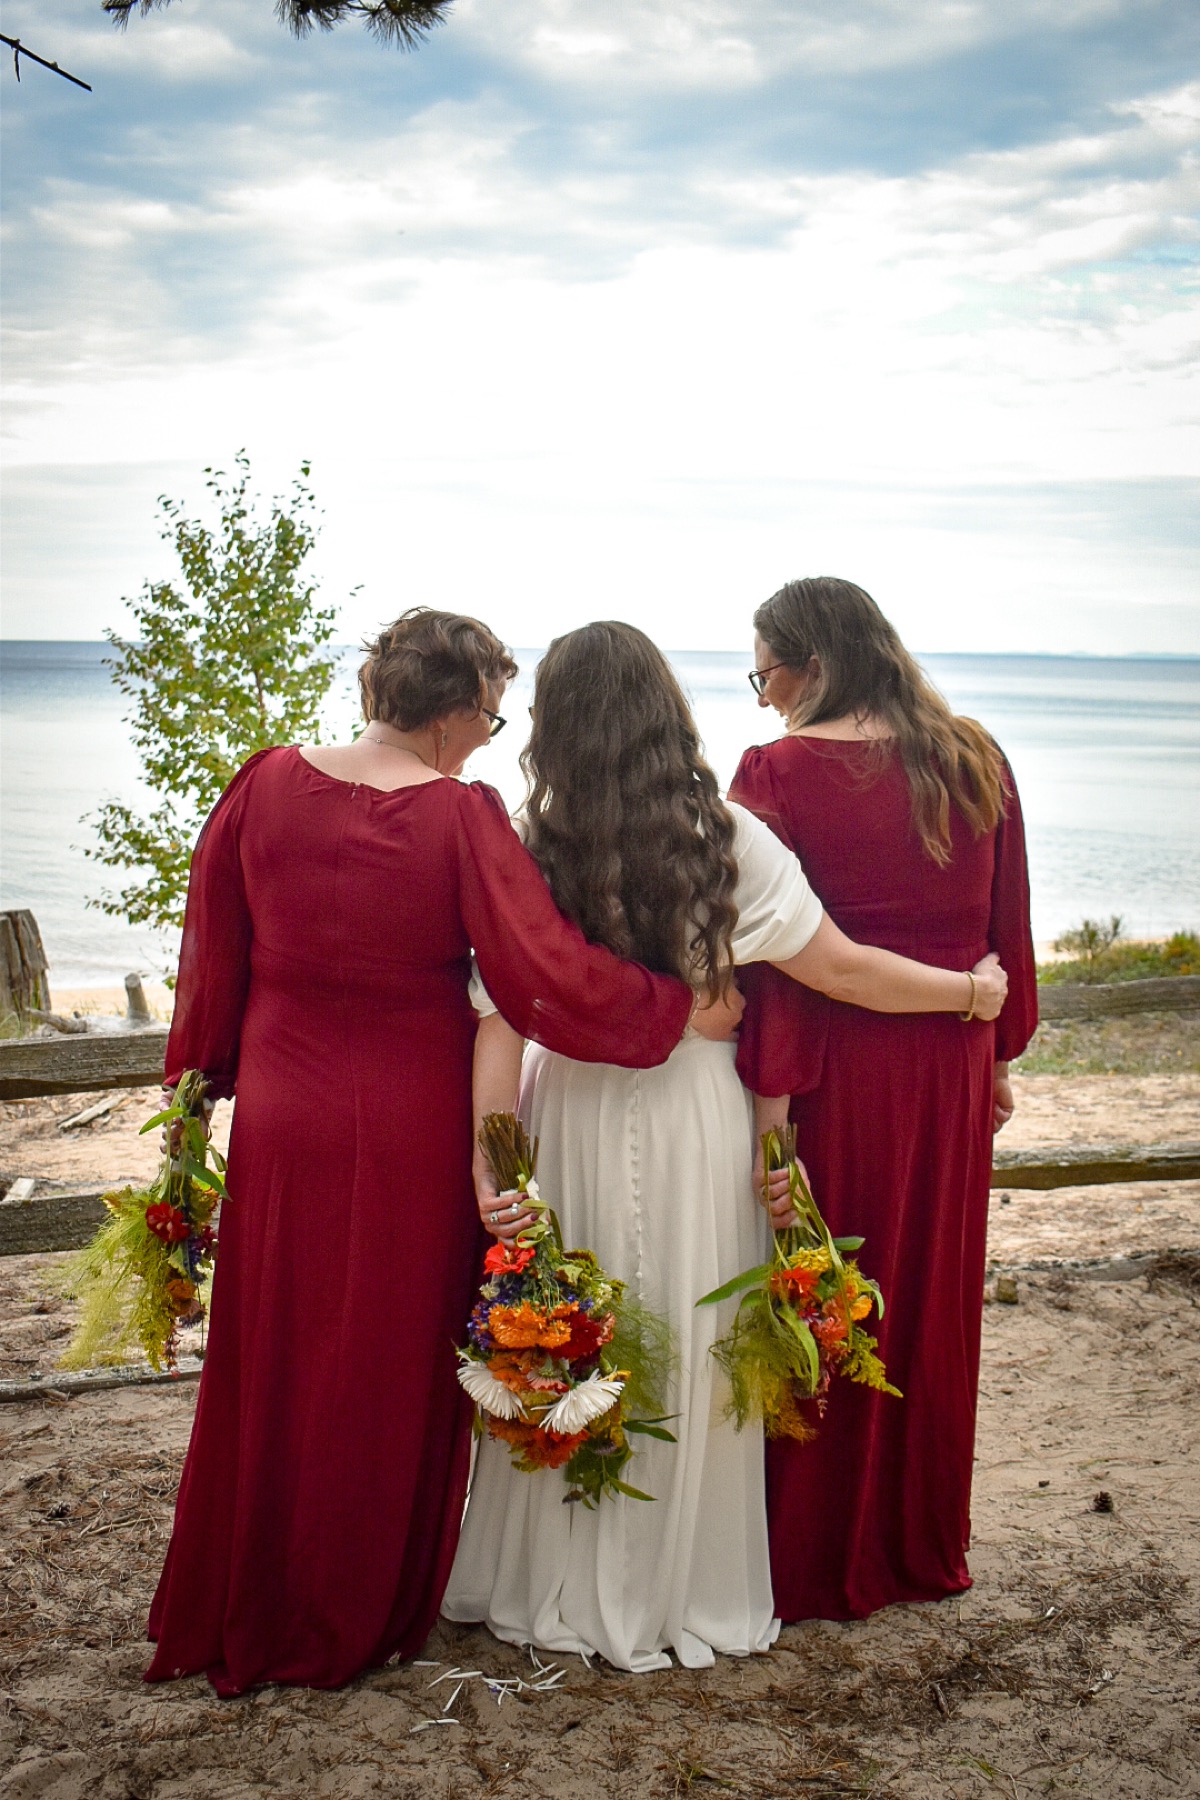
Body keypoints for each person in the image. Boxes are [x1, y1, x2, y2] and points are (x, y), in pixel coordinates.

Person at [145, 607, 737, 1697]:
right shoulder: (464, 818)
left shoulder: (261, 783)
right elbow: (537, 969)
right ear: (459, 709)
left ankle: (251, 1594)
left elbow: (210, 954)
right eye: (493, 714)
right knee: (385, 1360)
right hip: (409, 1119)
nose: (492, 735)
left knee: (272, 1346)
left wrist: (203, 1081)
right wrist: (661, 1002)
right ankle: (350, 1610)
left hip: (284, 1110)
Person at [441, 622, 1007, 1672]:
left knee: (570, 1319)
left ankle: (551, 1576)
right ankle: (687, 1580)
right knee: (685, 1332)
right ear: (668, 713)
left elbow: (497, 1018)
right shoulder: (729, 839)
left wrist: (492, 1160)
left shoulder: (529, 841)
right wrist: (971, 995)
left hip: (573, 1106)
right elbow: (844, 970)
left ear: (554, 728)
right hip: (699, 1112)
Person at [730, 575, 1038, 1623]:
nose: (761, 694)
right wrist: (993, 1053)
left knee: (820, 1290)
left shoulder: (774, 774)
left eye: (765, 670)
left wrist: (771, 1107)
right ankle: (917, 1543)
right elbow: (1009, 931)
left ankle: (812, 1556)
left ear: (811, 664)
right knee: (923, 1299)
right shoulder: (975, 756)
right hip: (948, 1063)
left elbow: (768, 963)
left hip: (836, 1068)